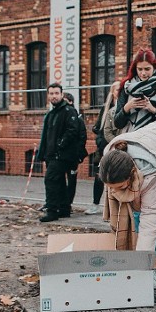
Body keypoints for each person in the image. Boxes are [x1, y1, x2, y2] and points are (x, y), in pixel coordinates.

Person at [99, 121, 156, 258]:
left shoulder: (150, 175)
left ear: (131, 175)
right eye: (111, 188)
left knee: (145, 213)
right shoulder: (110, 160)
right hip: (151, 144)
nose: (116, 192)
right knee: (132, 214)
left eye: (121, 187)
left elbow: (151, 218)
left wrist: (142, 261)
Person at [36, 83, 81, 222]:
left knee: (50, 180)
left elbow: (73, 131)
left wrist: (60, 145)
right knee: (59, 181)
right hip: (51, 154)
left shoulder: (68, 111)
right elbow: (46, 136)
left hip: (61, 155)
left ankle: (52, 210)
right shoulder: (51, 114)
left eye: (56, 93)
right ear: (48, 95)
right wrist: (43, 152)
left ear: (61, 94)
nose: (54, 96)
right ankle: (63, 209)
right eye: (51, 93)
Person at [114, 48, 156, 132]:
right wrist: (127, 107)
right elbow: (117, 124)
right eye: (140, 69)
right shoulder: (127, 87)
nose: (143, 73)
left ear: (154, 67)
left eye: (147, 69)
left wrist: (154, 110)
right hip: (131, 138)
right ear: (135, 68)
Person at [88, 80, 122, 215]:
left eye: (121, 89)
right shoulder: (106, 108)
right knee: (99, 176)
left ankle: (116, 205)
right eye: (117, 89)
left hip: (119, 146)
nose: (119, 92)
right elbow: (99, 128)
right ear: (112, 92)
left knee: (117, 176)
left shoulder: (124, 107)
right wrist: (101, 141)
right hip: (104, 146)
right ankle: (95, 204)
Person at [62, 92, 88, 210]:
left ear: (71, 102)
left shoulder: (77, 118)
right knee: (58, 179)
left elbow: (82, 137)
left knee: (71, 180)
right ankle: (58, 202)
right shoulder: (59, 116)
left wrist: (78, 155)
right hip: (61, 155)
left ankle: (68, 204)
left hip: (73, 155)